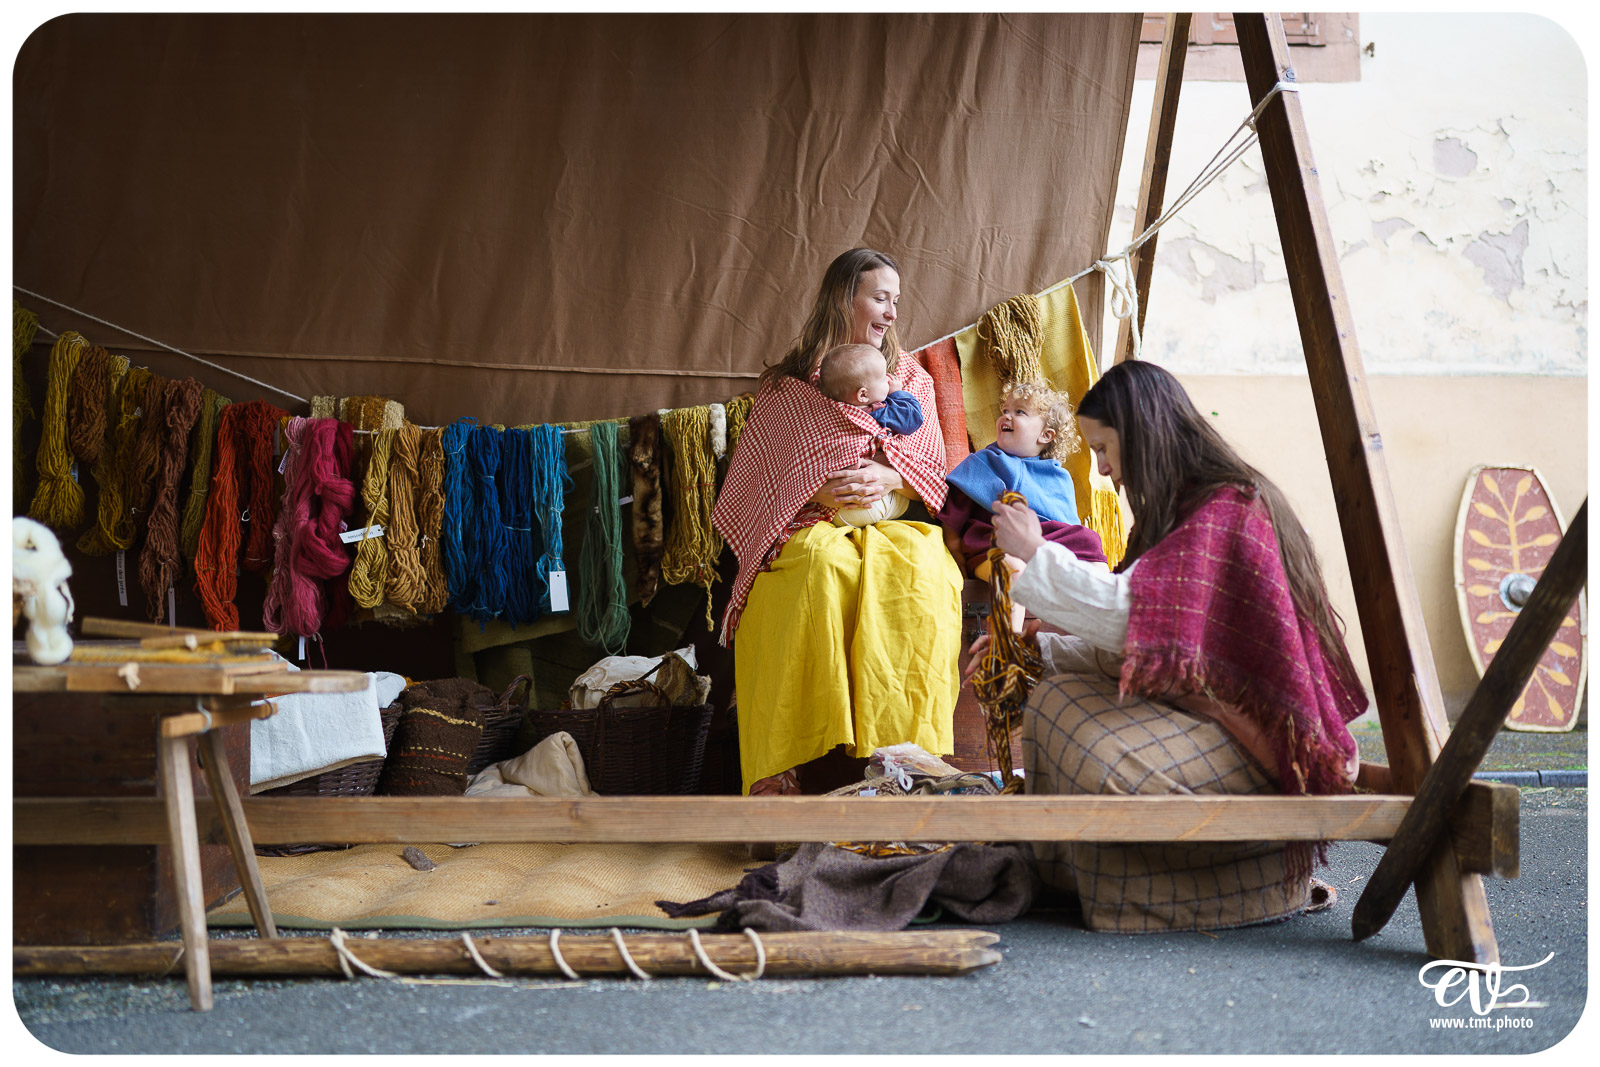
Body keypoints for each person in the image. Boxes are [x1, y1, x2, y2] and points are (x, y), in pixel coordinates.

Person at [968, 359, 1365, 932]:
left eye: (1104, 449)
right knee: (1054, 703)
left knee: (1099, 753)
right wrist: (1035, 652)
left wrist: (1035, 553)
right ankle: (1070, 882)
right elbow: (1148, 650)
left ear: (1143, 436)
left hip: (1265, 750)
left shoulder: (1228, 508)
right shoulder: (1178, 513)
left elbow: (1134, 622)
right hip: (1213, 716)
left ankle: (1221, 891)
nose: (1102, 471)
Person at [712, 248, 962, 796]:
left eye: (896, 300)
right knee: (820, 564)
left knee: (922, 564)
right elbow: (766, 472)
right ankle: (780, 771)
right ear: (842, 300)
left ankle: (904, 759)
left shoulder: (908, 379)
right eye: (879, 298)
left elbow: (931, 464)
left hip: (888, 519)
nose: (892, 312)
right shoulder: (790, 386)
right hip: (805, 522)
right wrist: (813, 480)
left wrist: (890, 479)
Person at [935, 379, 1106, 630]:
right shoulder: (983, 462)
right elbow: (952, 516)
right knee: (1014, 570)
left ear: (1045, 435)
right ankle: (1007, 646)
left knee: (1089, 540)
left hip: (1043, 545)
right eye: (1005, 410)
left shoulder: (1057, 476)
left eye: (1019, 412)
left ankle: (1098, 620)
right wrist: (957, 559)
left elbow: (1065, 525)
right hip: (992, 545)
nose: (1007, 416)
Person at [815, 342, 925, 526]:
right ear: (863, 396)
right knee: (922, 510)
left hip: (833, 509)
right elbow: (912, 419)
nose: (889, 380)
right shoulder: (877, 412)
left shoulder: (826, 411)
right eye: (883, 378)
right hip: (867, 503)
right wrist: (897, 393)